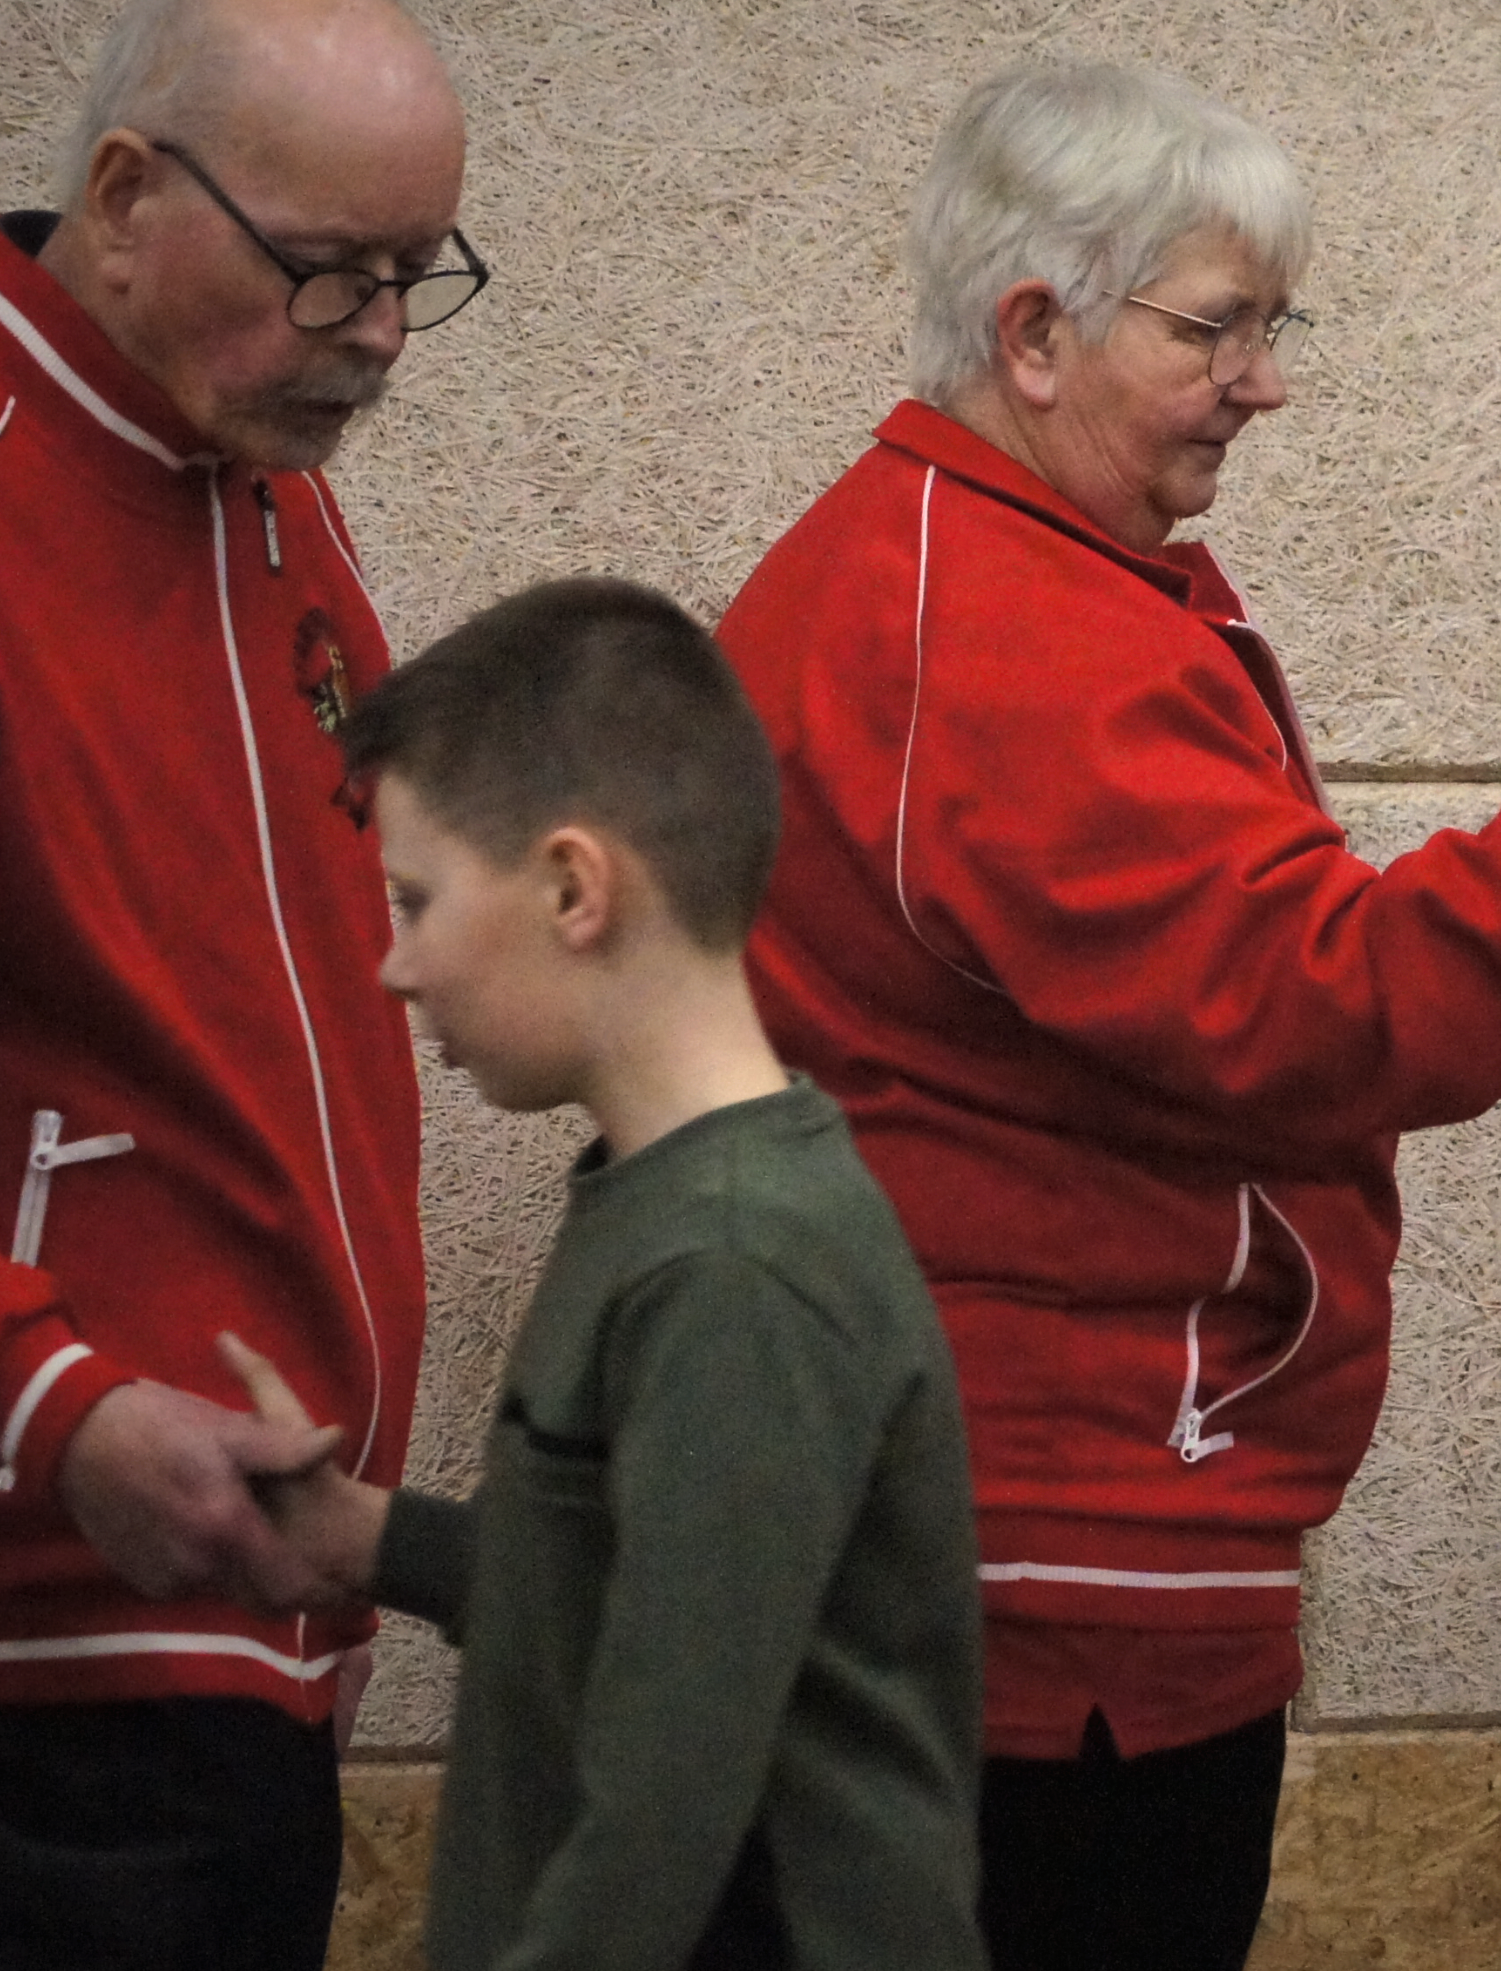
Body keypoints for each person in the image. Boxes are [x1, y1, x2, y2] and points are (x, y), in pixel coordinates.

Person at [715, 59, 1501, 1971]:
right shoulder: (1008, 634)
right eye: (1216, 329)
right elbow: (1326, 1006)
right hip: (1034, 1591)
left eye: (1274, 327)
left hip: (980, 1552)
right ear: (1033, 333)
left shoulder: (955, 571)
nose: (1265, 381)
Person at [228, 577, 985, 1971]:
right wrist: (362, 1541)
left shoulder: (739, 1262)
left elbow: (661, 1809)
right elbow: (637, 1599)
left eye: (416, 897)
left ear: (575, 887)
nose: (394, 967)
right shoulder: (672, 1207)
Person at [0, 0, 478, 1970]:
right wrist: (51, 1404)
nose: (375, 334)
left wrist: (340, 1590)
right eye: (328, 269)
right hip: (49, 1652)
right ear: (125, 196)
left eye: (419, 273)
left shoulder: (266, 482)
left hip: (237, 1628)